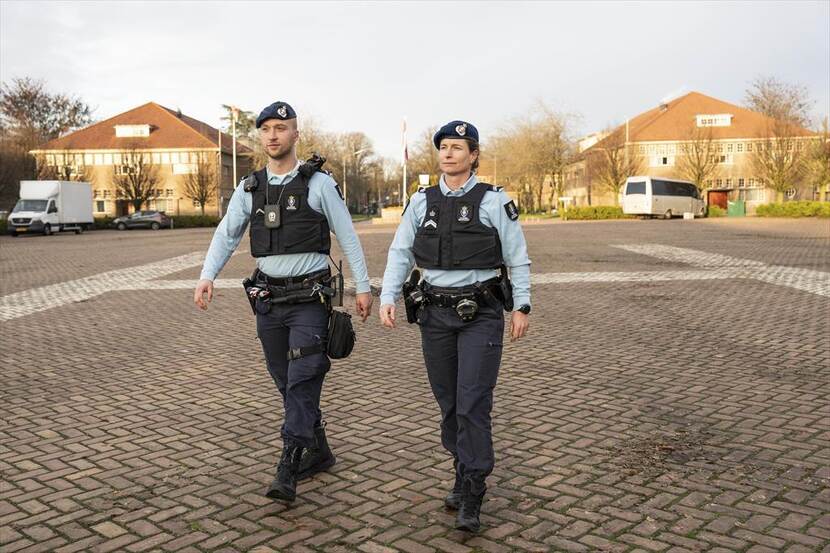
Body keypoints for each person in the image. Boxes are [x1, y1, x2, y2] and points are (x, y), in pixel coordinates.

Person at [193, 101, 373, 503]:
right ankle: (319, 449)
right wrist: (207, 275)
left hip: (310, 299)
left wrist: (362, 287)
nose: (273, 135)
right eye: (266, 129)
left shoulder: (319, 184)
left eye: (281, 127)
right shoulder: (249, 187)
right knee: (285, 379)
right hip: (269, 301)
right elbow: (227, 234)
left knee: (304, 374)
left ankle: (289, 463)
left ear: (295, 134)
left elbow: (347, 236)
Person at [379, 120, 531, 533]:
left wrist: (522, 305)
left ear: (473, 155)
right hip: (435, 315)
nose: (448, 153)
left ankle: (474, 488)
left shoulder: (494, 201)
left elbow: (517, 257)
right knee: (448, 403)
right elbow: (400, 252)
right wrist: (388, 296)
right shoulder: (420, 202)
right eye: (444, 147)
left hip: (481, 314)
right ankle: (462, 471)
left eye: (458, 147)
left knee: (473, 402)